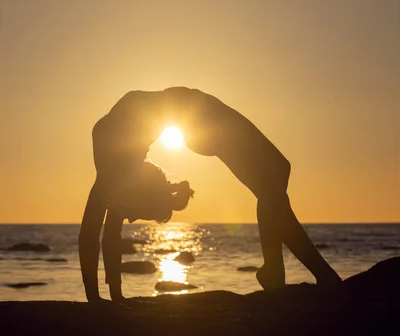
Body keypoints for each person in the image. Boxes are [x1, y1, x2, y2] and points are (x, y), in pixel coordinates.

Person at [80, 87, 340, 299]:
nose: (132, 220)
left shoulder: (112, 171)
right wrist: (113, 297)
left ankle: (282, 270)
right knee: (275, 178)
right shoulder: (122, 169)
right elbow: (107, 232)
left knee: (275, 177)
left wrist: (97, 299)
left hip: (202, 117)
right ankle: (295, 272)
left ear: (139, 195)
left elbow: (91, 232)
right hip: (199, 115)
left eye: (136, 215)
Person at [79, 157, 193, 303]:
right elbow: (111, 237)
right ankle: (101, 295)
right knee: (102, 236)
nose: (133, 219)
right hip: (114, 175)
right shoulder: (147, 189)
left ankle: (105, 294)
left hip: (119, 179)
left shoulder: (158, 186)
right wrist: (116, 295)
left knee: (108, 236)